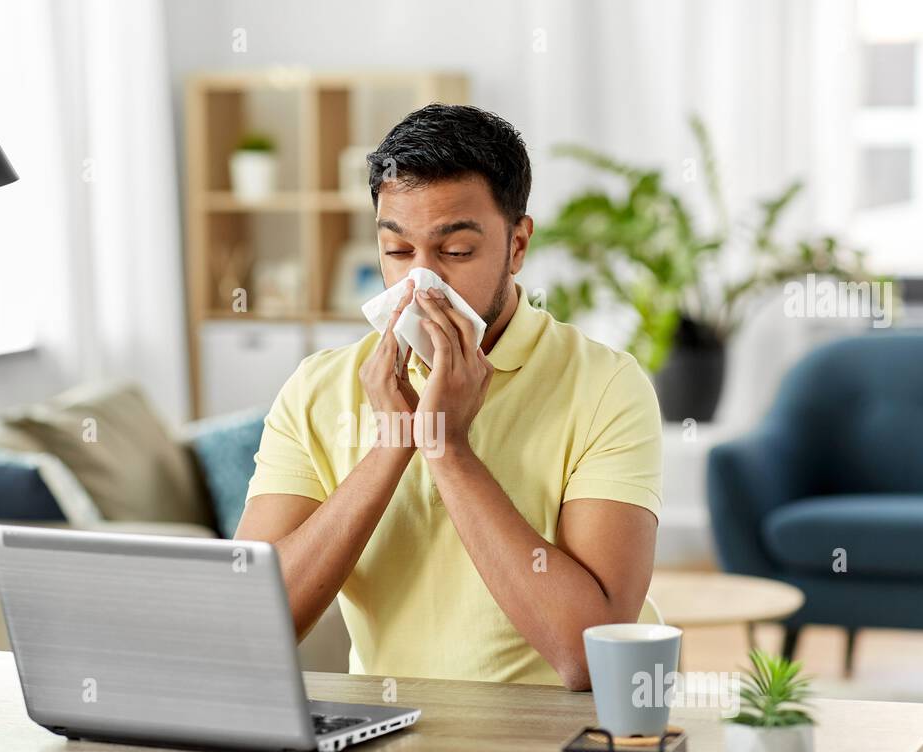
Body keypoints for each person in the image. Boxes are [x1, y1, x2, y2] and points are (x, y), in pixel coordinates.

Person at [236, 104, 662, 689]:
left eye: (455, 252)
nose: (421, 283)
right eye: (398, 251)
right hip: (389, 737)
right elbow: (251, 627)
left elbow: (594, 657)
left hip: (556, 741)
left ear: (517, 245)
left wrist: (448, 448)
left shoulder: (606, 386)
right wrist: (393, 447)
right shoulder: (318, 388)